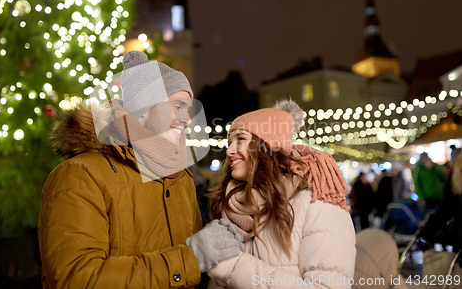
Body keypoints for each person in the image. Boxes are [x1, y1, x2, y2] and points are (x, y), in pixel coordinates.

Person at [38, 51, 243, 288]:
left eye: (188, 108)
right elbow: (78, 279)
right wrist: (191, 258)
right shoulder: (80, 176)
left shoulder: (180, 176)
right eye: (178, 106)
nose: (187, 119)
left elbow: (190, 272)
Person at [206, 99, 356, 288]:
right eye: (229, 142)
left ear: (265, 146)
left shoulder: (317, 205)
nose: (229, 151)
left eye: (240, 139)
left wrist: (231, 266)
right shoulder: (234, 208)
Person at [421, 153, 462, 263]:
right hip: (431, 199)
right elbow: (447, 206)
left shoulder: (437, 169)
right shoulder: (420, 170)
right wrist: (431, 225)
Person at [412, 153, 445, 219]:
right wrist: (420, 198)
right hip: (427, 197)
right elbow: (417, 184)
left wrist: (434, 167)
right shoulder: (418, 169)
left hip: (438, 195)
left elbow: (444, 175)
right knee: (428, 217)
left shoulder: (435, 166)